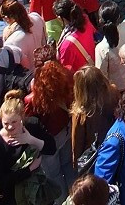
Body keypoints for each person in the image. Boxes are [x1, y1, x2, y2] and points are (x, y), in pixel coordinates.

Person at [0, 89, 57, 205]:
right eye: (6, 123)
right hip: (13, 198)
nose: (10, 127)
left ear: (22, 118)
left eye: (14, 122)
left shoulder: (33, 125)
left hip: (36, 191)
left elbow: (51, 148)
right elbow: (0, 181)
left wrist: (30, 140)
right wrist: (29, 170)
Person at [23, 57, 74, 189]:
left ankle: (62, 201)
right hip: (66, 131)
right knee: (68, 165)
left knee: (54, 174)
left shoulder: (32, 100)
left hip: (48, 141)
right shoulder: (65, 84)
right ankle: (75, 196)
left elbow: (30, 123)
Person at [70, 66, 120, 172]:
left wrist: (77, 165)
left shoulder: (81, 113)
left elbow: (77, 144)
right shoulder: (113, 92)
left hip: (95, 154)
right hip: (113, 143)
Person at [95, 1, 125, 91]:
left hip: (118, 90)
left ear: (100, 21)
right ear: (119, 16)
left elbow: (101, 77)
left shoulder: (101, 48)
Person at [1, 0, 46, 71]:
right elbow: (44, 42)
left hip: (27, 77)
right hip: (42, 68)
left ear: (7, 18)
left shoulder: (11, 41)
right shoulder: (37, 17)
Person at [55, 0, 97, 72]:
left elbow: (65, 71)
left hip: (81, 78)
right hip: (92, 66)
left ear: (61, 18)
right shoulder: (85, 20)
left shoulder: (67, 45)